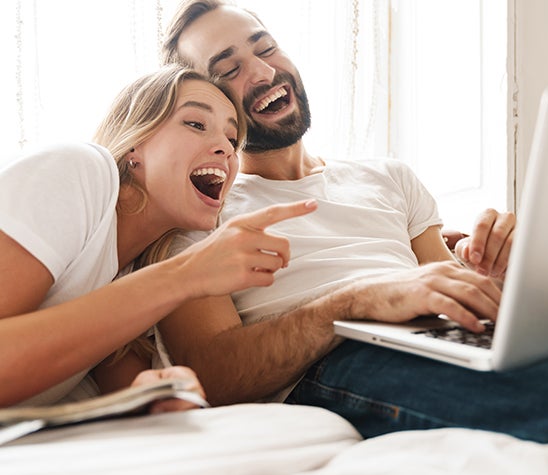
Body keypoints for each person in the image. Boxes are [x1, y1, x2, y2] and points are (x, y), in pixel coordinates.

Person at [158, 2, 548, 473]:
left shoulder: (387, 175)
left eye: (263, 46)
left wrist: (496, 278)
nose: (260, 71)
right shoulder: (199, 205)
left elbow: (446, 285)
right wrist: (352, 301)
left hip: (448, 336)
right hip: (345, 362)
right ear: (200, 99)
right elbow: (213, 373)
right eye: (227, 68)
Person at [0, 64, 317, 410]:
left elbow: (121, 386)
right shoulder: (79, 171)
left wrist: (156, 396)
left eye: (232, 140)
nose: (226, 150)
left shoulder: (132, 266)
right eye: (196, 124)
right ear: (135, 142)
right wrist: (186, 274)